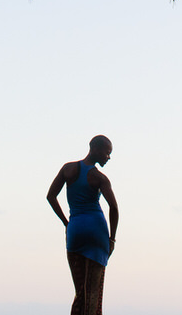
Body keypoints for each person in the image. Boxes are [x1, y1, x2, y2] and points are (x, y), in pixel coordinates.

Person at [47, 135, 119, 315]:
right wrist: (112, 238)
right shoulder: (99, 178)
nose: (108, 157)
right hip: (97, 234)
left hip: (75, 231)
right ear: (95, 148)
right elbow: (114, 208)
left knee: (81, 292)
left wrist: (66, 223)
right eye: (107, 152)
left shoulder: (68, 169)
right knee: (93, 292)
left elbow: (50, 196)